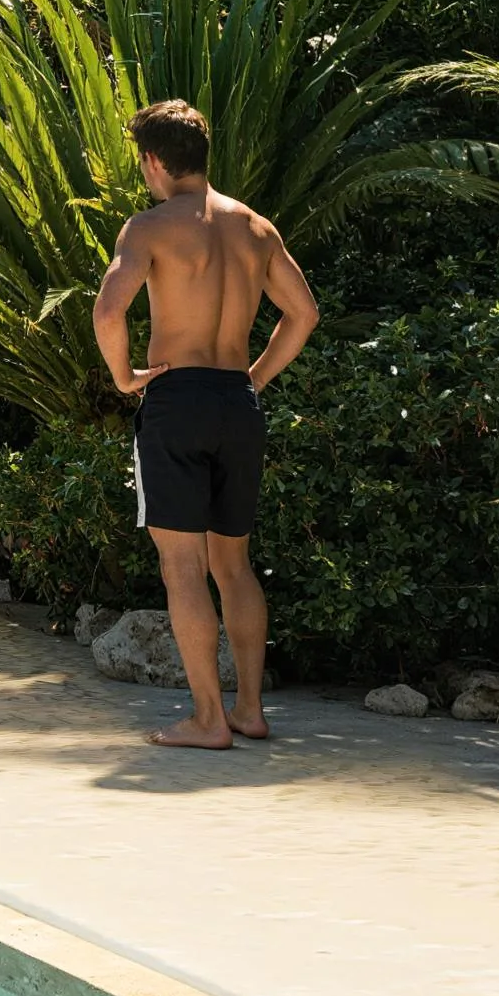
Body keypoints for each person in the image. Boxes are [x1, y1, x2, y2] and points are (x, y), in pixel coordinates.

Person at [91, 98, 321, 750]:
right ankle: (248, 709)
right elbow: (302, 314)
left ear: (155, 162)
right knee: (234, 565)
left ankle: (207, 719)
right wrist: (254, 377)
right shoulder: (255, 228)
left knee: (183, 568)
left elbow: (109, 314)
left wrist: (124, 377)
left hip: (177, 399)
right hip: (235, 403)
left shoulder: (149, 228)